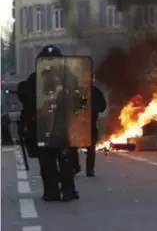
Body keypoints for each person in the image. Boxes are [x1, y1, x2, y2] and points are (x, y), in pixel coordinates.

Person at [25, 45, 79, 202]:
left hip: (61, 127)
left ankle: (64, 190)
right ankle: (54, 191)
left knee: (63, 160)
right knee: (50, 161)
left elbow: (79, 99)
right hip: (45, 127)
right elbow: (28, 101)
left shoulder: (68, 78)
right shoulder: (35, 79)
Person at [72, 82, 107, 177]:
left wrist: (93, 109)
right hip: (78, 123)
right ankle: (76, 166)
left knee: (90, 146)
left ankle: (88, 169)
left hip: (88, 122)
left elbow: (103, 106)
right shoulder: (77, 91)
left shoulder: (94, 92)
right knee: (74, 146)